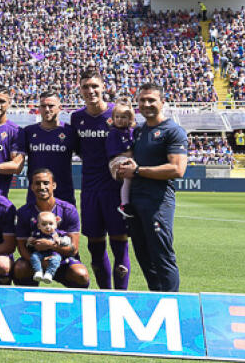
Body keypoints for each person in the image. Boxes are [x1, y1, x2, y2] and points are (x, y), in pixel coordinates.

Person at [117, 83, 188, 292]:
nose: (146, 104)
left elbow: (177, 169)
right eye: (142, 100)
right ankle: (157, 300)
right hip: (136, 202)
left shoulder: (172, 131)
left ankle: (173, 302)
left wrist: (138, 171)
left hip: (158, 202)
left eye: (151, 100)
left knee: (161, 254)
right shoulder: (139, 131)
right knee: (143, 254)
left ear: (162, 102)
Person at [71, 67, 131, 290]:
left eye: (95, 86)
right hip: (90, 190)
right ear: (80, 89)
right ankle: (104, 295)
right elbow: (78, 149)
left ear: (103, 87)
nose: (90, 90)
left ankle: (120, 296)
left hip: (115, 191)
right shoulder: (77, 118)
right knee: (95, 247)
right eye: (86, 86)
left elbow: (131, 142)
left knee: (119, 245)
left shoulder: (118, 113)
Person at [10, 168, 88, 288]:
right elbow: (21, 247)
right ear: (31, 187)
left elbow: (74, 249)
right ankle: (28, 303)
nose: (42, 187)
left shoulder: (68, 210)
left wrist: (51, 246)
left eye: (46, 183)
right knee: (20, 268)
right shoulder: (23, 212)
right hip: (35, 260)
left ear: (54, 185)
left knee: (80, 274)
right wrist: (38, 263)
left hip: (63, 260)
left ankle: (76, 305)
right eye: (37, 183)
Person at [20, 91, 77, 205]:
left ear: (60, 108)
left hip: (64, 196)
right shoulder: (28, 131)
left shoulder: (70, 131)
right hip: (35, 196)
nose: (47, 109)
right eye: (43, 106)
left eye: (51, 106)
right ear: (39, 108)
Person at [106, 98, 138, 218]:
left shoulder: (132, 130)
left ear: (130, 119)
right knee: (128, 176)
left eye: (123, 117)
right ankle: (124, 204)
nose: (119, 120)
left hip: (128, 159)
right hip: (116, 160)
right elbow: (114, 153)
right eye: (117, 117)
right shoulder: (114, 133)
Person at [26, 211, 69, 283]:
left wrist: (61, 240)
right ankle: (38, 271)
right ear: (39, 226)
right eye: (44, 224)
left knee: (56, 259)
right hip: (40, 253)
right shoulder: (37, 233)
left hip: (53, 254)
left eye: (51, 224)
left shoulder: (58, 234)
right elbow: (30, 244)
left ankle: (49, 274)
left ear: (56, 225)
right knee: (34, 256)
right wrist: (30, 241)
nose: (48, 226)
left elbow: (67, 240)